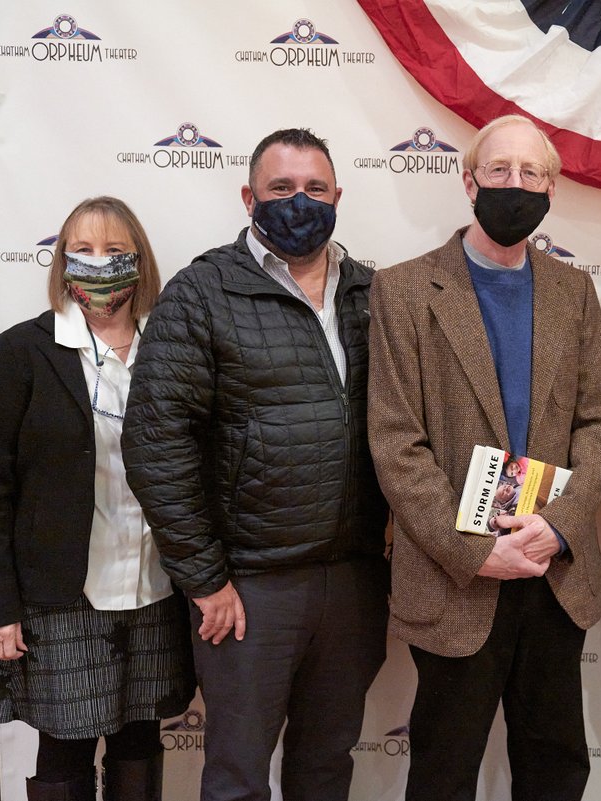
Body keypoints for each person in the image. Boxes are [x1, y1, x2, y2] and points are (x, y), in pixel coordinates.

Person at [121, 128, 389, 801]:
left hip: (353, 578)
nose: (300, 201)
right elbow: (158, 443)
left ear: (338, 197)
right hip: (248, 590)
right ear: (248, 197)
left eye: (316, 189)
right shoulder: (201, 292)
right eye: (281, 188)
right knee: (239, 774)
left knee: (327, 766)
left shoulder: (373, 295)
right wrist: (205, 577)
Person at [367, 114, 601, 801]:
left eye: (532, 173)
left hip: (552, 571)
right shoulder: (402, 290)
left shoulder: (573, 292)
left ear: (552, 186)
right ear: (468, 179)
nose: (516, 184)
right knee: (444, 769)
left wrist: (563, 523)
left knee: (555, 764)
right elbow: (396, 439)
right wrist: (472, 547)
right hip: (457, 577)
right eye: (501, 170)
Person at [0, 196, 193, 801]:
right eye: (83, 250)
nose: (99, 263)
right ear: (61, 260)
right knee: (63, 747)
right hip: (62, 595)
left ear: (139, 261)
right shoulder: (22, 352)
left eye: (115, 251)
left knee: (140, 740)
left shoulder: (170, 347)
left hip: (155, 588)